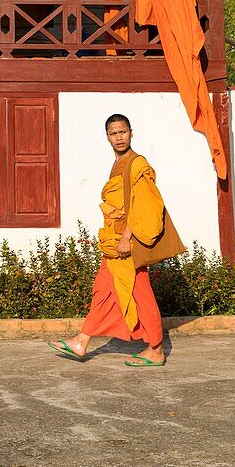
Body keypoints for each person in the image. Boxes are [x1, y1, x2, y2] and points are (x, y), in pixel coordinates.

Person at [52, 114, 167, 367]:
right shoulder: (117, 164)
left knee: (140, 292)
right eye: (114, 133)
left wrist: (127, 236)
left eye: (123, 132)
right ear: (107, 137)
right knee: (104, 289)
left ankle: (156, 349)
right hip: (114, 242)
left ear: (131, 132)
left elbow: (146, 205)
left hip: (128, 242)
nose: (119, 137)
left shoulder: (137, 164)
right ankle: (81, 341)